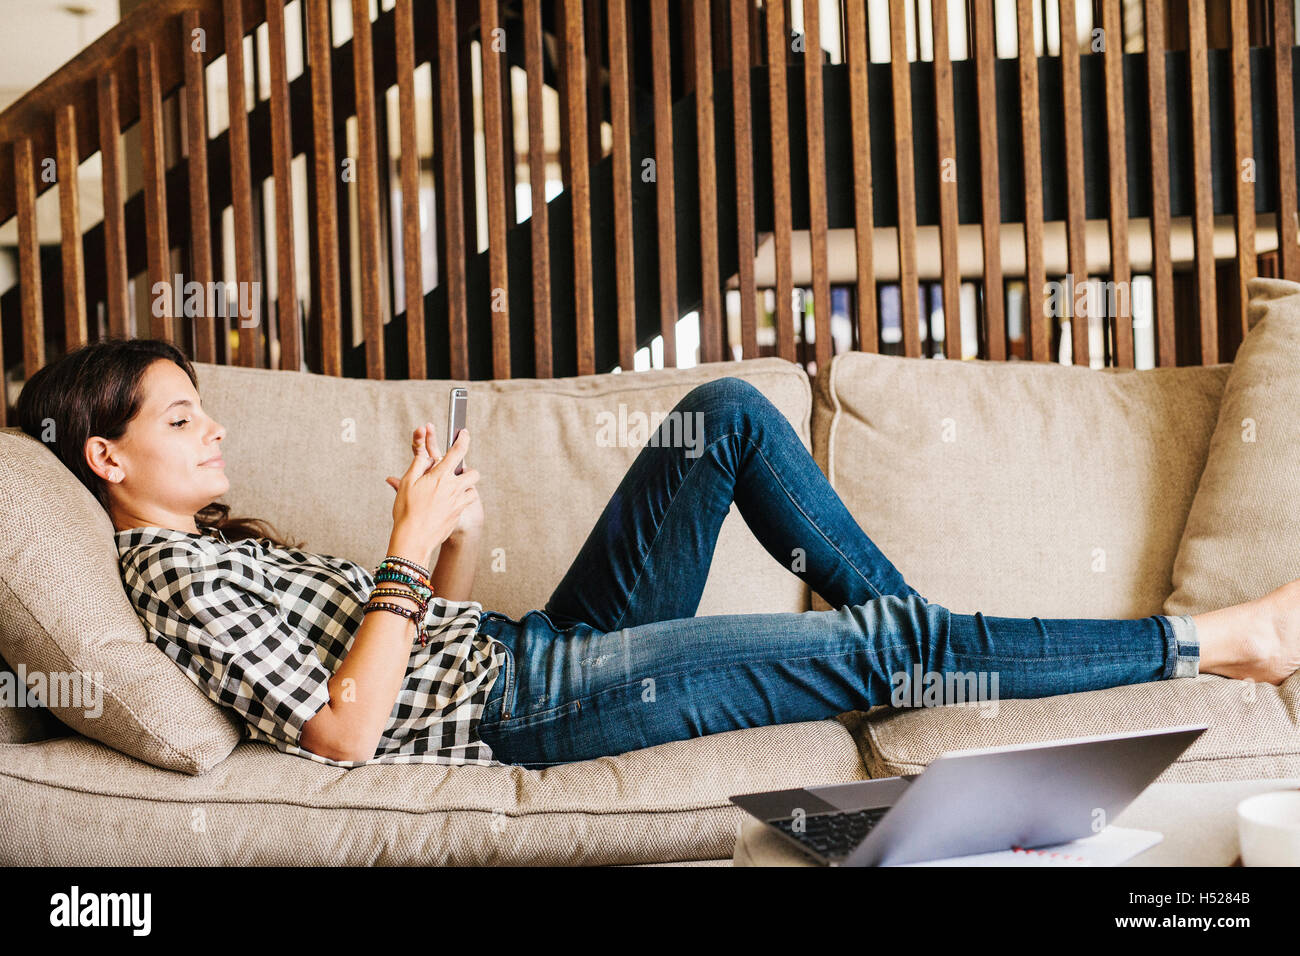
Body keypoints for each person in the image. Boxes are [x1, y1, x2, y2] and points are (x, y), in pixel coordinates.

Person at [17, 337, 1300, 771]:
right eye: (180, 416)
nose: (213, 424)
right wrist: (405, 553)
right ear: (108, 459)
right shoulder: (167, 575)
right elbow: (349, 732)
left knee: (727, 415)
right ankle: (1226, 638)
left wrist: (447, 540)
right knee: (887, 647)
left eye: (203, 403)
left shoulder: (216, 543)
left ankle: (930, 656)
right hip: (529, 709)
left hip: (517, 652)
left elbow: (415, 644)